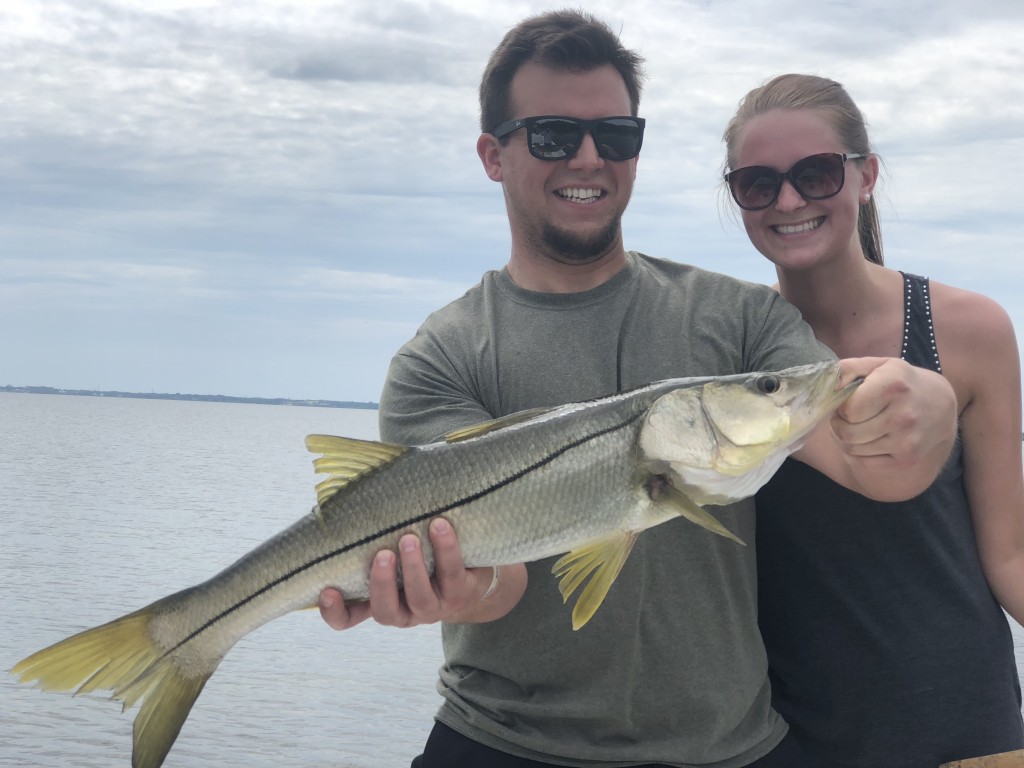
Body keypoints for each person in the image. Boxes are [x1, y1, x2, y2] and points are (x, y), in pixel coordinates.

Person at [319, 13, 957, 767]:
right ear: (493, 155)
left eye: (616, 136)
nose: (589, 157)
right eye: (554, 135)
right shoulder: (442, 357)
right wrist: (455, 591)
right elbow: (502, 583)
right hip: (498, 742)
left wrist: (932, 407)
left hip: (732, 750)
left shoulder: (745, 318)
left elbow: (872, 463)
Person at [722, 73, 1024, 767]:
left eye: (817, 173)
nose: (789, 200)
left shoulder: (969, 328)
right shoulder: (729, 351)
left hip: (965, 730)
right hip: (782, 737)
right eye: (758, 183)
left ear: (866, 177)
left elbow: (1008, 554)